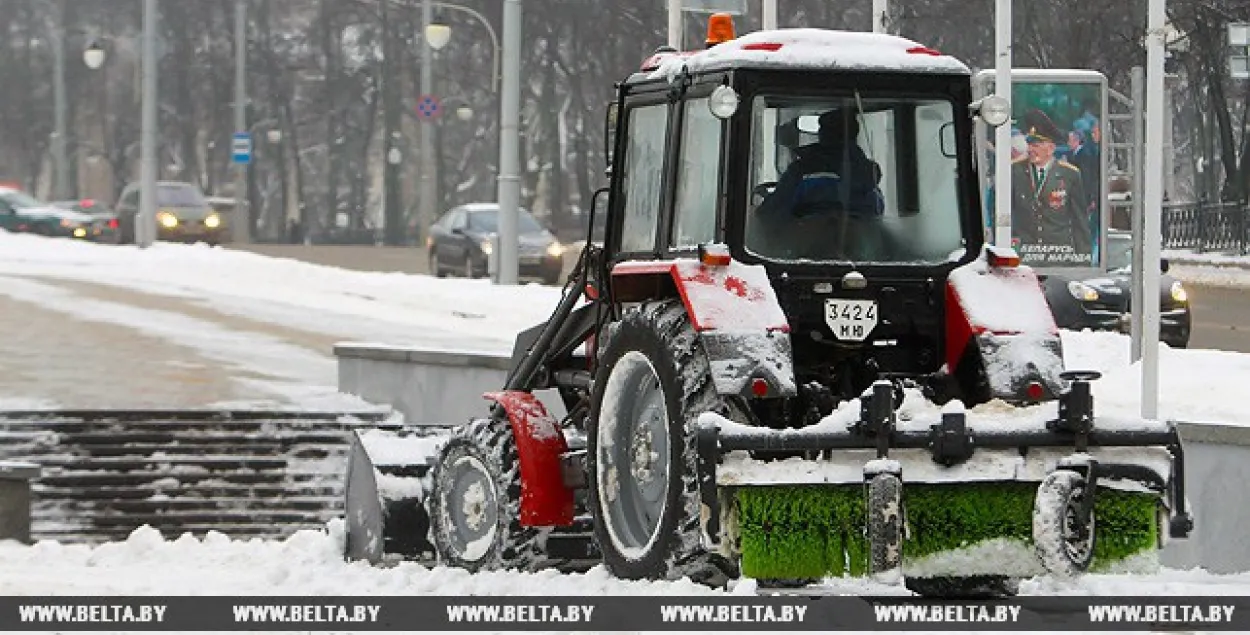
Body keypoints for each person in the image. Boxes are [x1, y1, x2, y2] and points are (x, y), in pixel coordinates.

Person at [1010, 109, 1092, 264]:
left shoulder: (1070, 175)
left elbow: (1079, 221)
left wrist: (1083, 261)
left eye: (1036, 145)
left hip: (1058, 256)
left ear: (1051, 148)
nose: (1030, 149)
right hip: (1024, 256)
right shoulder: (1015, 172)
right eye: (1029, 144)